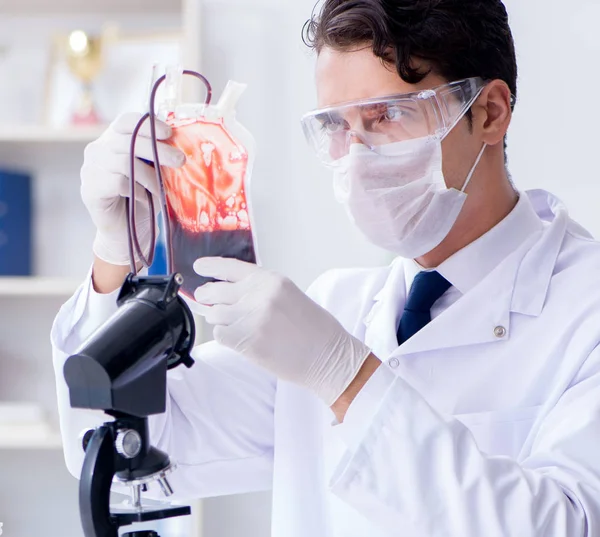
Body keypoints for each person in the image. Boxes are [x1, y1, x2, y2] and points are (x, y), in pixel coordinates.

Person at [51, 0, 600, 536]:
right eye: (336, 125)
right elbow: (119, 446)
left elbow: (564, 525)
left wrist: (346, 377)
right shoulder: (338, 308)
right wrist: (113, 253)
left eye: (386, 115)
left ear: (489, 112)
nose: (355, 154)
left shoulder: (586, 308)